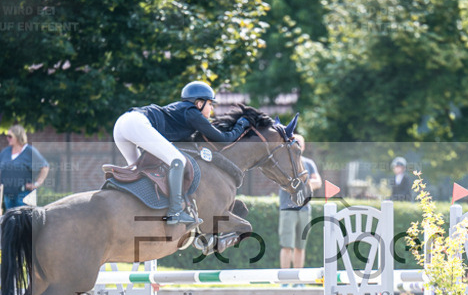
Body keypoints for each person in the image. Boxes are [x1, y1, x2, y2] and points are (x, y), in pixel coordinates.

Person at [112, 81, 251, 226]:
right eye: (210, 104)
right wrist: (242, 124)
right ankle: (175, 212)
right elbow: (224, 139)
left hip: (122, 124)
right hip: (137, 124)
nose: (212, 109)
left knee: (138, 170)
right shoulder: (192, 113)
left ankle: (139, 210)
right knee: (178, 160)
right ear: (199, 104)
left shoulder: (181, 112)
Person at [279, 134, 322, 273]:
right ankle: (285, 280)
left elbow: (318, 182)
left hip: (304, 209)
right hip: (288, 209)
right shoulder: (284, 162)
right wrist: (306, 184)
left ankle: (298, 279)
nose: (297, 145)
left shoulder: (309, 163)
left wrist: (302, 184)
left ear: (303, 147)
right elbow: (284, 184)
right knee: (287, 246)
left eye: (299, 143)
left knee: (300, 247)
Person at [0, 124, 49, 211]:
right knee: (11, 221)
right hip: (7, 194)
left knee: (24, 221)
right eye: (7, 136)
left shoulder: (29, 151)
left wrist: (36, 184)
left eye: (10, 136)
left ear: (18, 136)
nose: (7, 138)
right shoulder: (6, 151)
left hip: (24, 194)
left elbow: (44, 167)